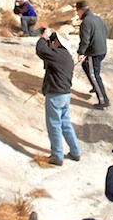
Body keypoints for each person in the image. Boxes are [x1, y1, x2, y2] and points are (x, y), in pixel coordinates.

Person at [35, 28, 81, 166]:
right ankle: (75, 151)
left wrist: (43, 38)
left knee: (54, 125)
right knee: (65, 124)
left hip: (55, 95)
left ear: (57, 42)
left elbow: (40, 50)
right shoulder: (67, 56)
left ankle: (57, 155)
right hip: (65, 95)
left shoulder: (57, 54)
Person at [75, 0, 110, 109]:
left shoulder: (85, 22)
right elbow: (106, 32)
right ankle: (95, 86)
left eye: (77, 11)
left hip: (94, 53)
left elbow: (85, 41)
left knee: (94, 74)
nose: (77, 14)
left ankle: (103, 100)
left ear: (81, 11)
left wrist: (81, 53)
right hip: (102, 50)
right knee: (86, 66)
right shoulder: (98, 19)